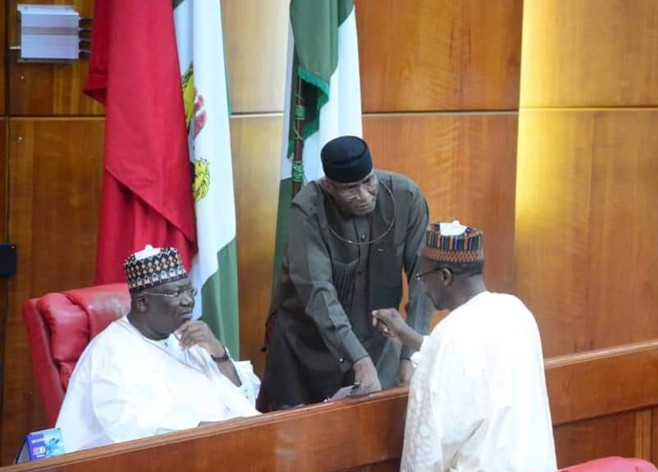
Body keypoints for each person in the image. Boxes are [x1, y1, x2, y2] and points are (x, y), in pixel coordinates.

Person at [372, 221, 556, 472]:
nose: (422, 286)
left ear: (444, 276)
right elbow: (476, 360)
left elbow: (427, 451)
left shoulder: (451, 336)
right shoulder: (517, 312)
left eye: (423, 277)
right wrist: (409, 336)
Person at [261, 135, 433, 410]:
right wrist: (358, 360)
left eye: (368, 182)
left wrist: (410, 356)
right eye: (350, 189)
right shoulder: (307, 209)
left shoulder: (407, 197)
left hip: (378, 345)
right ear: (329, 186)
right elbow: (318, 292)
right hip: (308, 350)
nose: (364, 196)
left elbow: (423, 281)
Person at [56, 245, 260, 452]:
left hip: (221, 450)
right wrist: (208, 431)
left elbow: (245, 400)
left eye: (189, 290)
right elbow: (129, 429)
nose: (188, 301)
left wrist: (218, 353)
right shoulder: (112, 350)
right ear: (143, 302)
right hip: (149, 468)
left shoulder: (188, 337)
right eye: (175, 293)